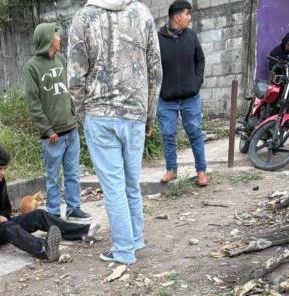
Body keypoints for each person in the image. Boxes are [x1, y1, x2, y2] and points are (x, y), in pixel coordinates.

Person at [67, 0, 163, 265]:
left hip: (100, 115)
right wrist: (149, 113)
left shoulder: (84, 18)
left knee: (114, 187)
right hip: (134, 114)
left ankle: (123, 250)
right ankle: (135, 239)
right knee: (131, 183)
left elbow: (75, 76)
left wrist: (81, 112)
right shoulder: (142, 13)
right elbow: (156, 70)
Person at [0, 145, 101, 261]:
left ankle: (83, 232)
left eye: (5, 168)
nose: (3, 172)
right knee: (9, 228)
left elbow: (6, 206)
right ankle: (43, 248)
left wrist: (4, 216)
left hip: (3, 223)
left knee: (39, 214)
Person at [24, 23, 92, 221]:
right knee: (53, 177)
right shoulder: (32, 67)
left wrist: (75, 118)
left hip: (71, 130)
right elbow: (33, 103)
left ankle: (73, 209)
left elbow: (71, 90)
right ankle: (53, 212)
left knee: (72, 174)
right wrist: (47, 130)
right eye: (56, 35)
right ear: (47, 39)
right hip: (52, 136)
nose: (59, 38)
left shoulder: (61, 59)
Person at [157, 0, 208, 187]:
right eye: (187, 14)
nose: (189, 17)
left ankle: (201, 171)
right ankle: (171, 170)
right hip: (166, 99)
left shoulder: (191, 36)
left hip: (190, 97)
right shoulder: (158, 39)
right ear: (177, 17)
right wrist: (159, 89)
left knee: (195, 134)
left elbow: (200, 60)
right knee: (168, 134)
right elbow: (153, 68)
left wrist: (196, 82)